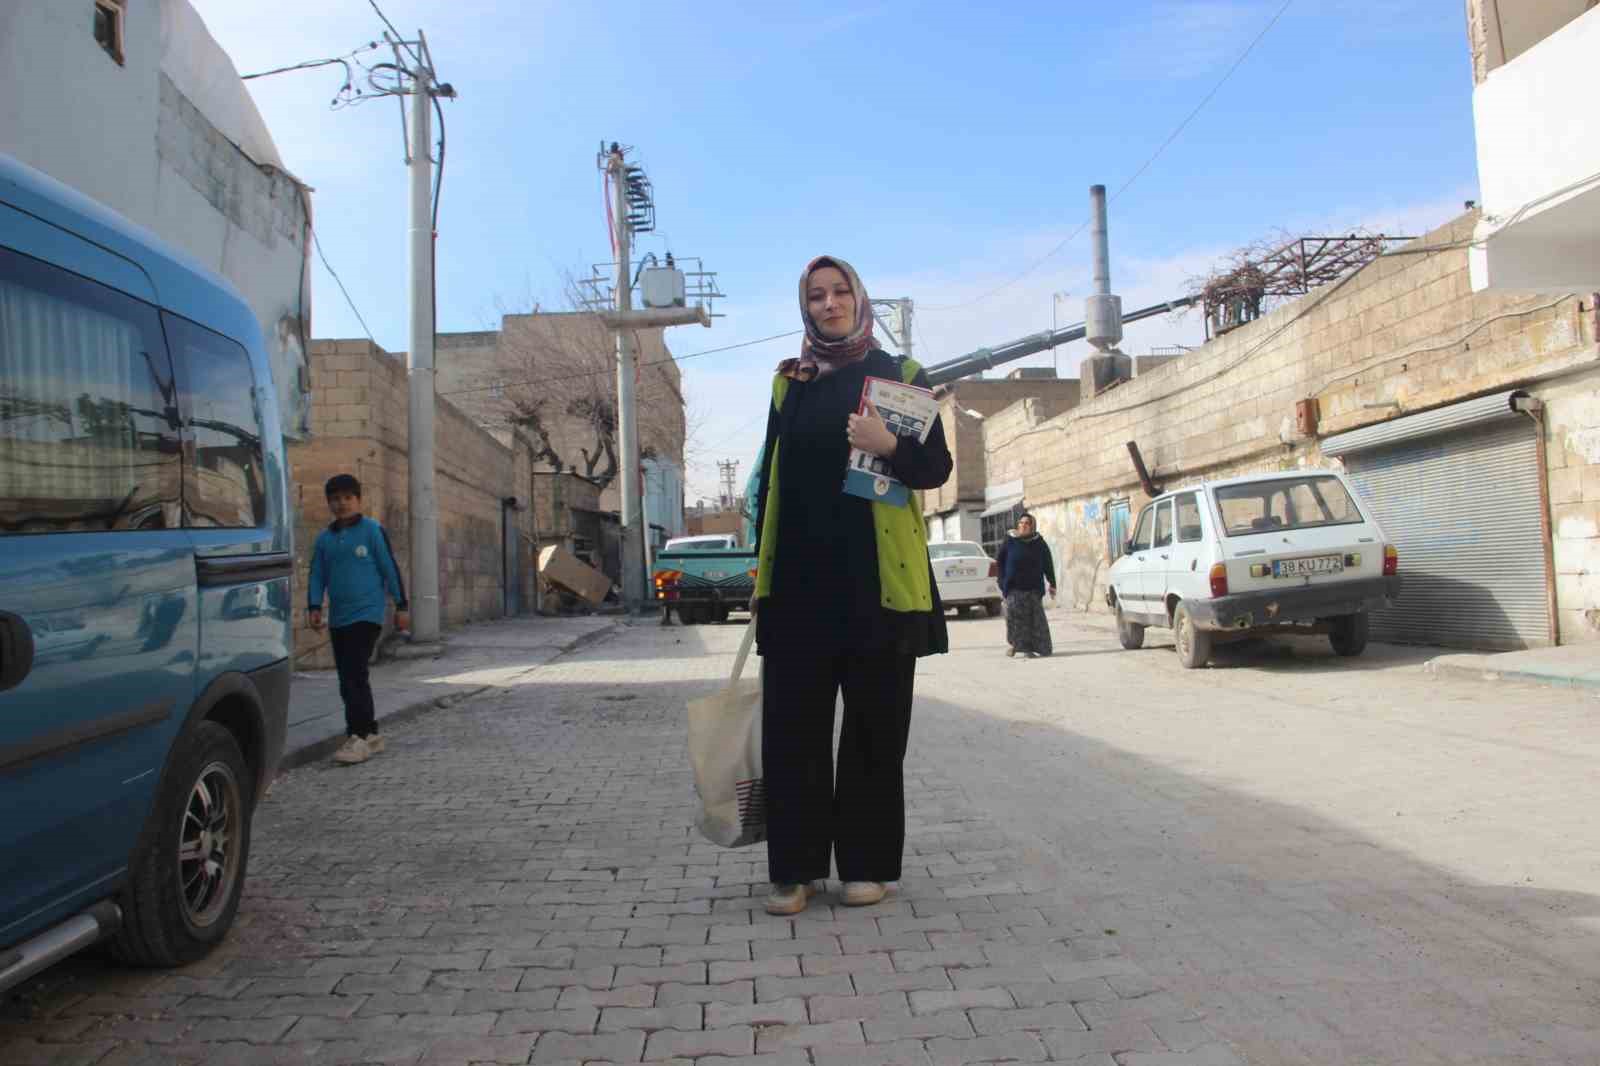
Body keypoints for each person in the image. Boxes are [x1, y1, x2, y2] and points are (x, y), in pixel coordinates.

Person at [751, 255, 952, 916]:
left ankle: (865, 865)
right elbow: (770, 484)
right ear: (804, 306)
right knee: (792, 733)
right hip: (799, 587)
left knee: (874, 732)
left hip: (878, 588)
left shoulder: (902, 377)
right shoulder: (791, 383)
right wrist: (762, 578)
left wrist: (887, 444)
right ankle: (796, 869)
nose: (828, 304)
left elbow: (934, 469)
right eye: (815, 295)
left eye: (839, 292)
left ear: (858, 299)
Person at [307, 474, 409, 765]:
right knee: (347, 678)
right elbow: (317, 574)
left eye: (347, 498)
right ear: (329, 502)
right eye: (335, 499)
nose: (341, 504)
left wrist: (401, 606)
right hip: (339, 618)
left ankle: (358, 736)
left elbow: (389, 567)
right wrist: (314, 606)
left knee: (354, 675)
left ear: (358, 500)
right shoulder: (325, 539)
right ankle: (371, 734)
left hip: (367, 614)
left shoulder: (372, 530)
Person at [997, 513, 1056, 658]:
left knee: (1034, 620)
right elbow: (1000, 562)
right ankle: (1015, 646)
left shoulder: (1039, 542)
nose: (1023, 526)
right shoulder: (1010, 540)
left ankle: (1033, 648)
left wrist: (1052, 582)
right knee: (1014, 619)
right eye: (1021, 523)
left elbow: (1048, 563)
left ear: (1032, 526)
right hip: (1013, 588)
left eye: (1027, 523)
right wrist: (1002, 582)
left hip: (1033, 588)